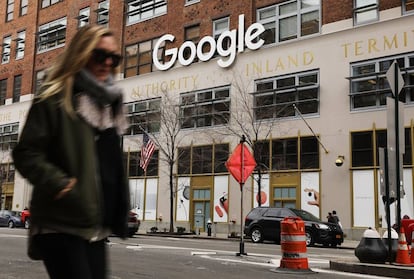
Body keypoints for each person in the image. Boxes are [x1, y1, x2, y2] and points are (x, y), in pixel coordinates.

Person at [12, 25, 130, 279]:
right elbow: (26, 153)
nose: (107, 62)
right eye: (100, 55)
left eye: (114, 58)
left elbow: (110, 166)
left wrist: (120, 206)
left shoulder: (108, 104)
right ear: (82, 53)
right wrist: (60, 184)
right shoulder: (55, 97)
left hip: (94, 226)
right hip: (60, 222)